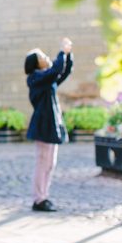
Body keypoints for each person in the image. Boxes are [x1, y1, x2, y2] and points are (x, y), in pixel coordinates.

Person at [24, 38, 73, 212]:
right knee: (43, 163)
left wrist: (67, 55)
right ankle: (39, 199)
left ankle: (44, 196)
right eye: (42, 56)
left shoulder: (45, 79)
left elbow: (63, 72)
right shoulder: (36, 78)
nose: (46, 57)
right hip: (43, 126)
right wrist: (62, 52)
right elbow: (56, 70)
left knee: (50, 163)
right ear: (36, 64)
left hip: (50, 126)